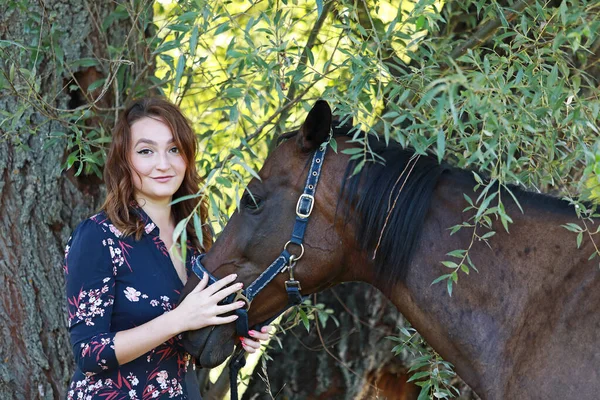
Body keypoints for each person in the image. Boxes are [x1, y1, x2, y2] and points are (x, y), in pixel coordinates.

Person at [63, 97, 271, 399]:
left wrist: (237, 334)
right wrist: (179, 319)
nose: (163, 164)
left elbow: (191, 347)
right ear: (125, 160)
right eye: (146, 151)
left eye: (174, 149)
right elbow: (88, 353)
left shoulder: (197, 238)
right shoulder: (99, 236)